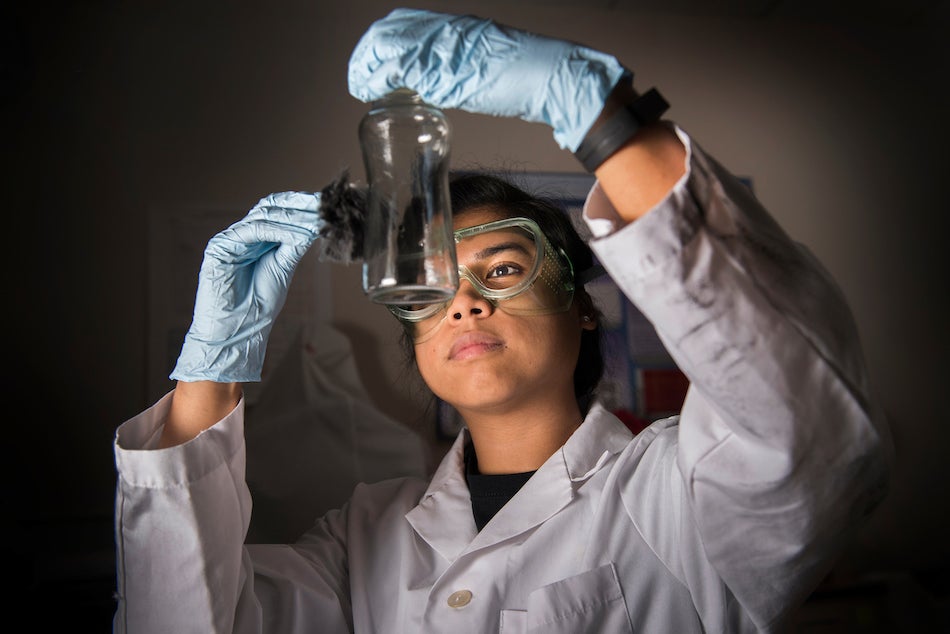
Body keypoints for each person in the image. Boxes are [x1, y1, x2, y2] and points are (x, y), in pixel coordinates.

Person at [112, 8, 891, 633]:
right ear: (414, 336)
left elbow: (804, 422)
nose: (464, 303)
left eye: (505, 269)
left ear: (583, 309)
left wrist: (599, 113)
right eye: (433, 289)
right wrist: (212, 362)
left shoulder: (681, 492)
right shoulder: (363, 539)